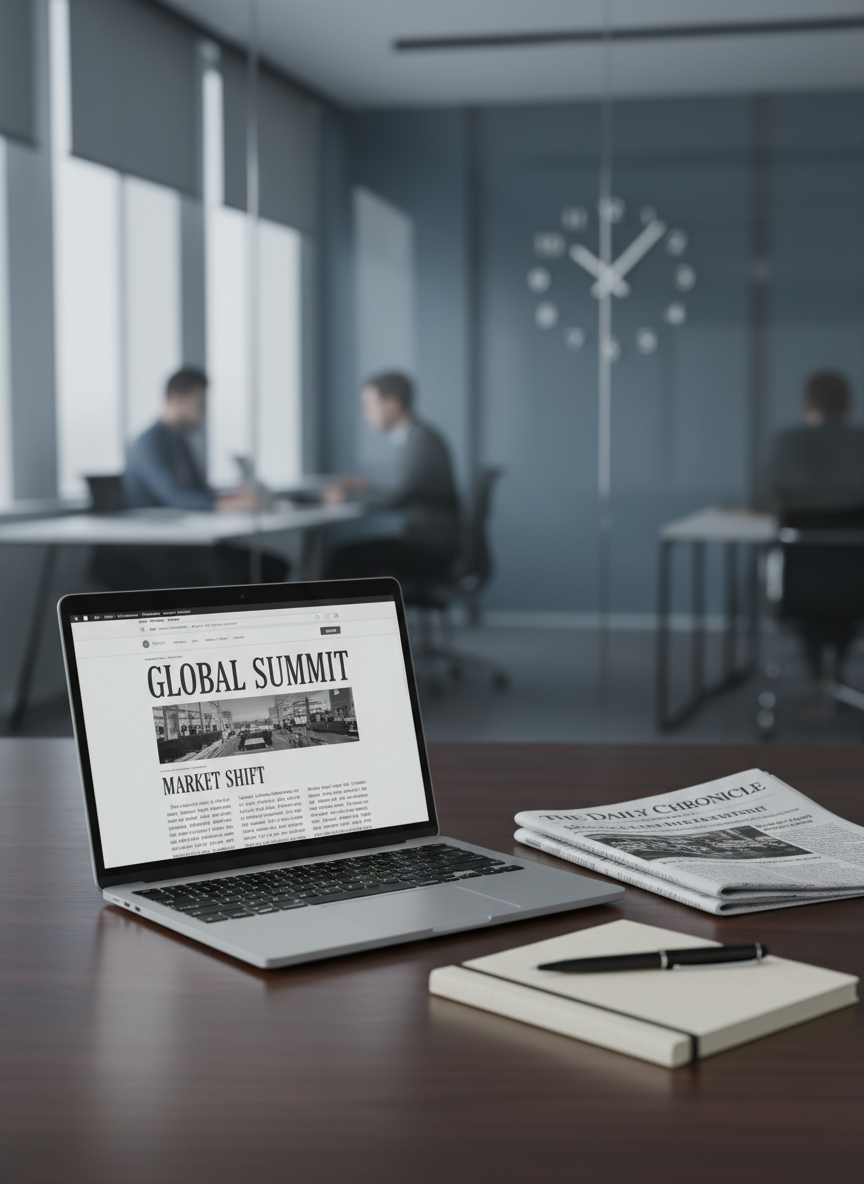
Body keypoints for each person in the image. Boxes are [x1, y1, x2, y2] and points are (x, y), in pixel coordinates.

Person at [93, 369, 288, 590]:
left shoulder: (179, 441)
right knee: (252, 571)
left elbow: (199, 492)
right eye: (200, 403)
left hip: (189, 541)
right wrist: (230, 504)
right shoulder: (149, 442)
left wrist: (235, 497)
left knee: (271, 566)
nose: (204, 413)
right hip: (158, 550)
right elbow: (177, 498)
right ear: (177, 399)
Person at [769, 371, 864, 681]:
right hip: (856, 583)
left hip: (799, 586)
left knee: (813, 588)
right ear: (848, 405)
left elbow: (769, 498)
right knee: (844, 590)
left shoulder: (788, 444)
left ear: (806, 406)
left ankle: (816, 676)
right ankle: (835, 677)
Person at [323, 372, 460, 583]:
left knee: (342, 558)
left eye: (370, 405)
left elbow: (397, 500)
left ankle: (334, 616)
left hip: (433, 549)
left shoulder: (422, 443)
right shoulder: (417, 437)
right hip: (429, 541)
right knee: (347, 557)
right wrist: (365, 490)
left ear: (392, 404)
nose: (365, 414)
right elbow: (406, 493)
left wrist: (348, 496)